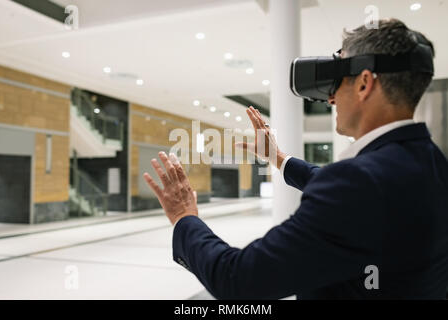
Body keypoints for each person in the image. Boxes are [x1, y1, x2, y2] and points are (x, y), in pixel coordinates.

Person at [143, 19, 448, 299]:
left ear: (364, 84)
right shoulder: (431, 161)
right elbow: (364, 198)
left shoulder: (358, 185)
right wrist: (279, 159)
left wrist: (185, 218)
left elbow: (237, 279)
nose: (330, 98)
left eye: (337, 79)